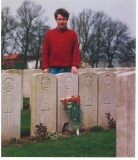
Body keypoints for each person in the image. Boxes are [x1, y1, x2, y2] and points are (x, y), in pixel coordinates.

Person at [42, 8, 80, 74]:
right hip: (53, 69)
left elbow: (76, 51)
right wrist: (45, 67)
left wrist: (75, 65)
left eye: (63, 19)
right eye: (59, 19)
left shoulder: (73, 34)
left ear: (67, 19)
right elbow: (45, 51)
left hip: (69, 69)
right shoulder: (49, 34)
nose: (61, 22)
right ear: (56, 19)